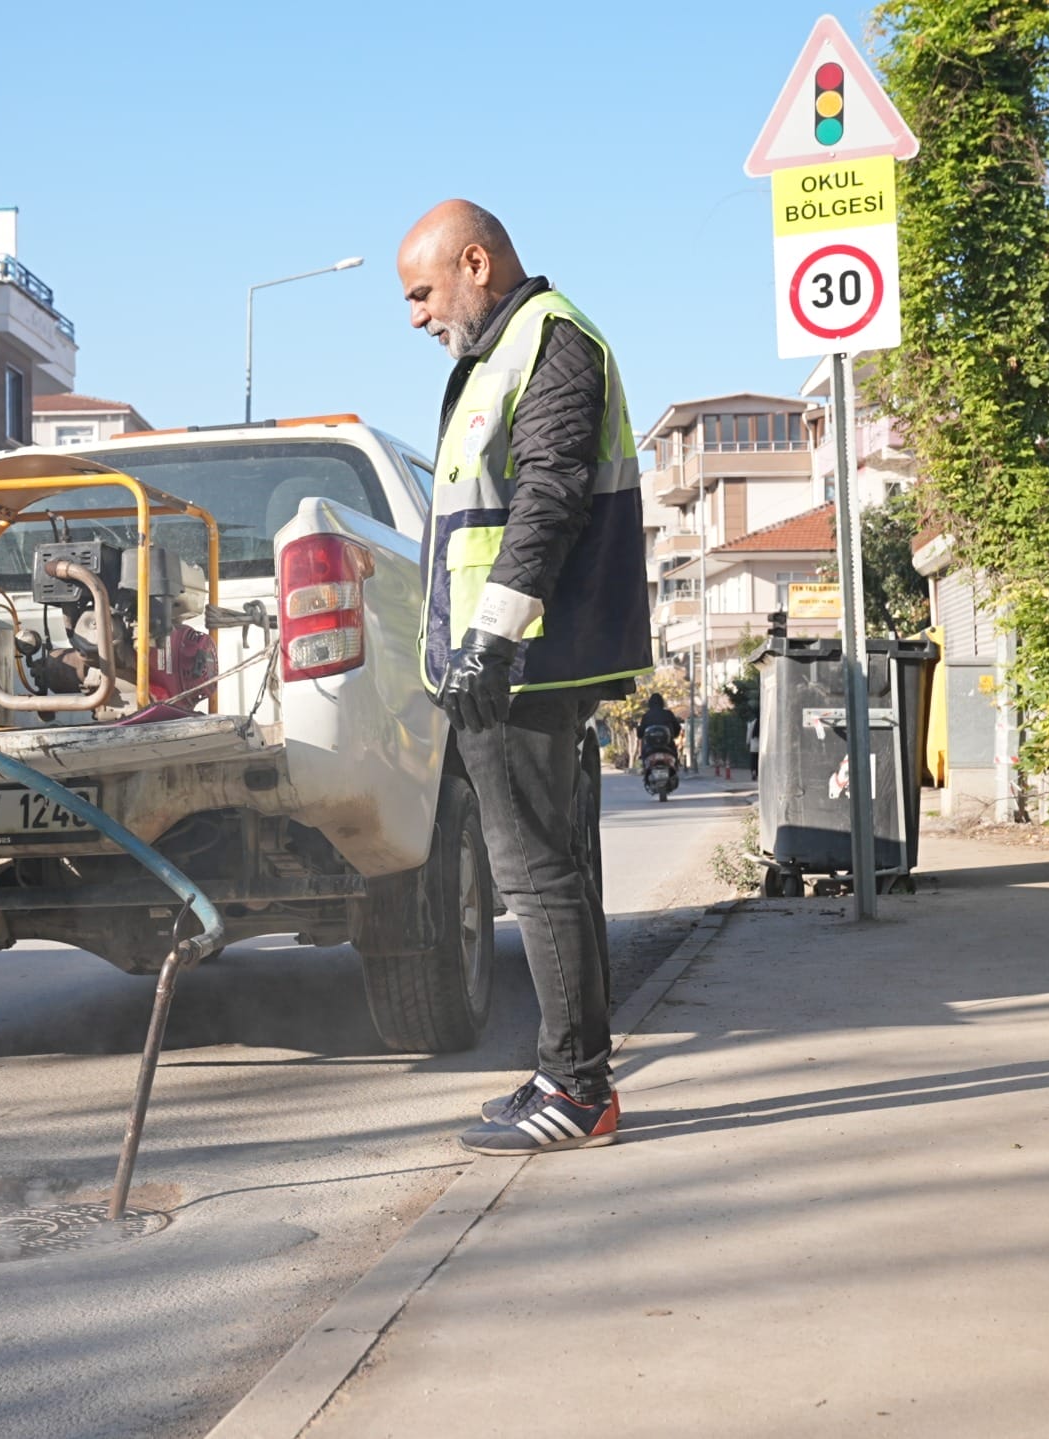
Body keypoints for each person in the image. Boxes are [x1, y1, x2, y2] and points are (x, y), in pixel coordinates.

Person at [398, 199, 652, 1155]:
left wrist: (491, 641)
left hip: (523, 661)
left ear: (475, 262)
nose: (416, 315)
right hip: (512, 656)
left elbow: (548, 496)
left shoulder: (549, 342)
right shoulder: (501, 355)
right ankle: (564, 1072)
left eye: (423, 292)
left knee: (536, 870)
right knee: (551, 868)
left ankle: (579, 1092)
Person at [636, 693, 680, 765]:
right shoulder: (668, 714)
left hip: (650, 747)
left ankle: (644, 765)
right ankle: (676, 764)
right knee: (674, 758)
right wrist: (674, 735)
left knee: (644, 756)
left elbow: (640, 733)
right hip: (667, 746)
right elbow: (677, 727)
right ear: (662, 702)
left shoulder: (646, 716)